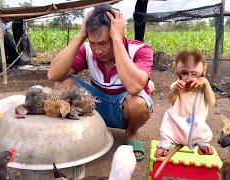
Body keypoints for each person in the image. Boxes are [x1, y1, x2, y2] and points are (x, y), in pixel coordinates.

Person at [47, 4, 153, 162]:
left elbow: (134, 87)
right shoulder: (87, 51)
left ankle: (131, 133)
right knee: (62, 85)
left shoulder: (140, 50)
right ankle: (86, 130)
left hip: (124, 107)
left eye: (103, 43)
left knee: (138, 103)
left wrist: (117, 39)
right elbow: (53, 75)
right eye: (92, 43)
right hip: (96, 105)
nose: (97, 50)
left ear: (117, 33)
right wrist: (81, 35)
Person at [155, 51, 215, 159]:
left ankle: (202, 144)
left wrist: (206, 84)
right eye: (184, 73)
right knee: (167, 124)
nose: (188, 78)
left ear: (203, 71)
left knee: (202, 131)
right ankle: (165, 145)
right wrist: (176, 90)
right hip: (177, 123)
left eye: (194, 74)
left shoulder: (202, 88)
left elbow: (211, 101)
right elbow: (171, 100)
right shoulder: (177, 86)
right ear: (176, 69)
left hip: (196, 125)